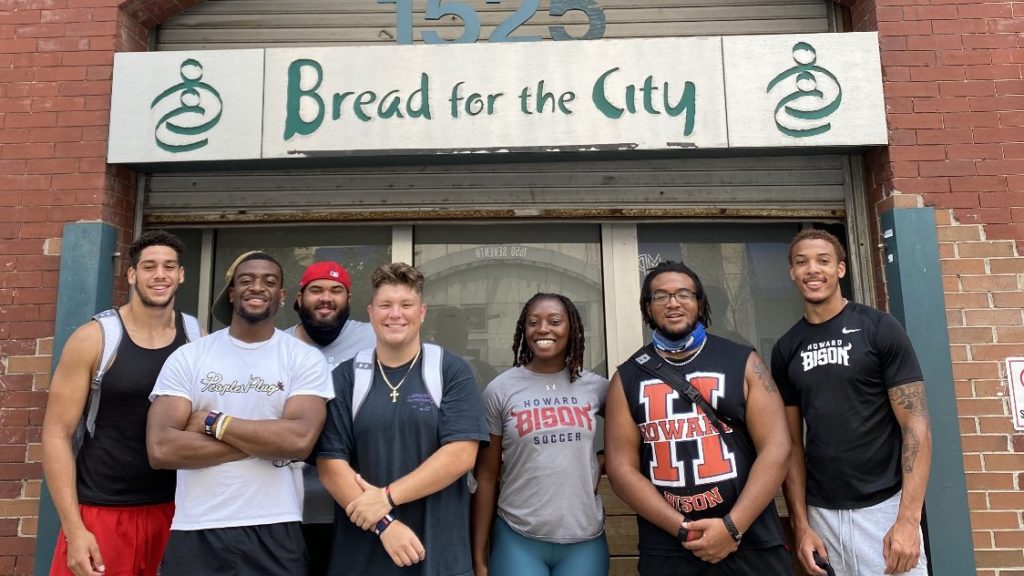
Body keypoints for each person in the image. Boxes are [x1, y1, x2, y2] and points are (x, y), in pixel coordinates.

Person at [146, 251, 333, 576]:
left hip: (276, 525)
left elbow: (300, 440)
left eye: (269, 281)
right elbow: (161, 449)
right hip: (196, 527)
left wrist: (212, 423)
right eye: (246, 280)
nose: (257, 287)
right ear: (232, 293)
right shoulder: (189, 357)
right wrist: (270, 440)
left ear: (283, 296)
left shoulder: (303, 359)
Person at [604, 260, 793, 576]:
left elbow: (777, 448)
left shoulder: (743, 361)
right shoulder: (626, 377)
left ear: (700, 303)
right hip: (669, 548)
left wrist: (732, 527)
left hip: (751, 541)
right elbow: (621, 468)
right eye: (660, 296)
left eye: (683, 294)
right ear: (647, 309)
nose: (673, 302)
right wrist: (682, 529)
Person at [772, 229, 931, 576]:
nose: (812, 269)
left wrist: (907, 520)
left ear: (841, 269)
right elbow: (791, 446)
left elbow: (915, 425)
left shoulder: (879, 328)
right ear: (792, 273)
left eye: (823, 261)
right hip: (822, 514)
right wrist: (801, 525)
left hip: (884, 508)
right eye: (802, 263)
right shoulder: (786, 348)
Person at [315, 262, 489, 575]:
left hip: (438, 554)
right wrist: (385, 525)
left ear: (422, 312)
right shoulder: (346, 377)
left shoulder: (450, 371)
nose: (395, 314)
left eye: (406, 305)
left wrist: (386, 497)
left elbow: (461, 454)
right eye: (385, 305)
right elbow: (330, 464)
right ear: (370, 313)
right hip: (361, 556)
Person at [41, 231, 193, 576]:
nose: (160, 275)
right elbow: (56, 435)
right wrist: (74, 529)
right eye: (149, 266)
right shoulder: (94, 338)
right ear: (131, 274)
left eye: (169, 267)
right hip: (102, 511)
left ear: (181, 275)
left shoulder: (197, 338)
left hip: (175, 512)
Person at [471, 293, 610, 576]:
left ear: (571, 327)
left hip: (585, 538)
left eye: (554, 321)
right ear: (524, 329)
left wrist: (606, 459)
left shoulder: (597, 388)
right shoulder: (500, 390)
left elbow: (636, 430)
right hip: (517, 536)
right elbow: (486, 476)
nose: (543, 329)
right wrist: (478, 554)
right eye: (533, 322)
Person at [285, 260, 375, 576]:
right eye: (317, 290)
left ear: (348, 299)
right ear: (298, 297)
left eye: (336, 290)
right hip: (291, 505)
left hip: (362, 502)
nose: (326, 298)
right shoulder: (278, 346)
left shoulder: (376, 339)